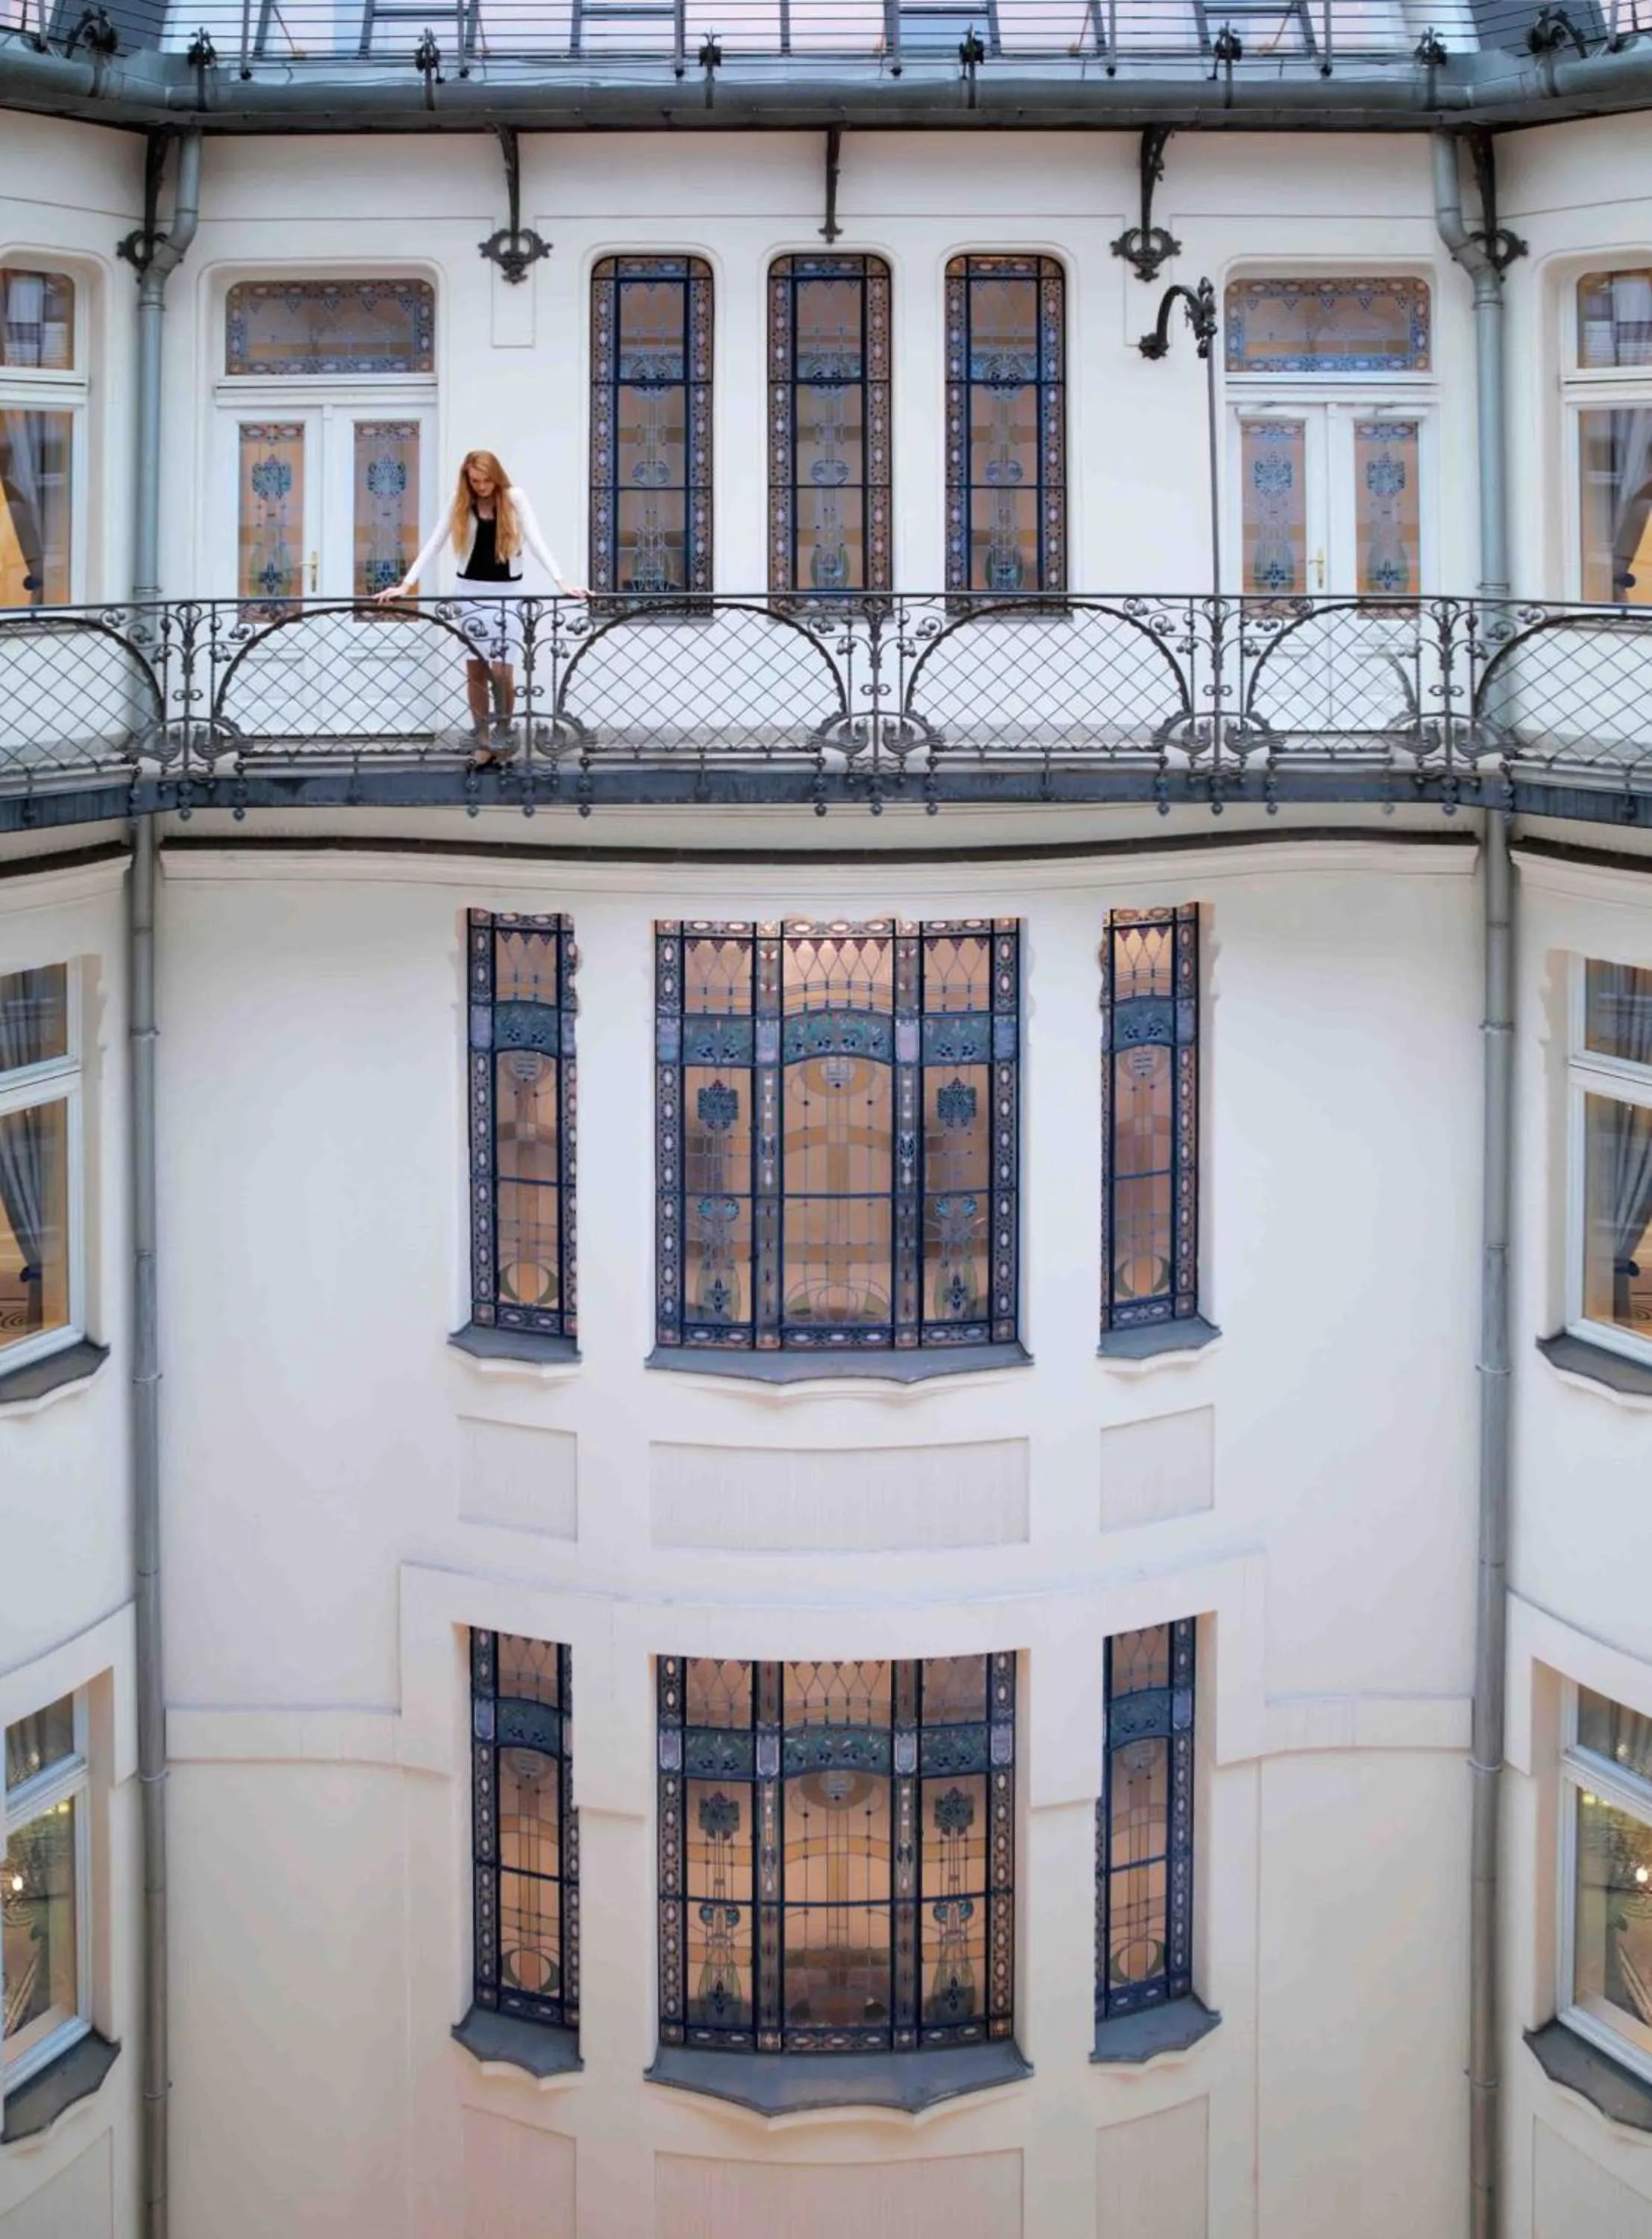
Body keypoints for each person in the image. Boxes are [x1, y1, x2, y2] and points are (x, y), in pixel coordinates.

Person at [378, 450, 586, 763]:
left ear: (497, 477)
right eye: (475, 481)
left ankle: (503, 734)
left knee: (502, 671)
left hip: (507, 594)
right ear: (467, 479)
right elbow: (434, 543)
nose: (482, 486)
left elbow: (536, 540)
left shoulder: (514, 499)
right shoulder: (461, 501)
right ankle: (483, 740)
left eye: (487, 480)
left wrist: (562, 582)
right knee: (475, 668)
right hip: (470, 593)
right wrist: (406, 585)